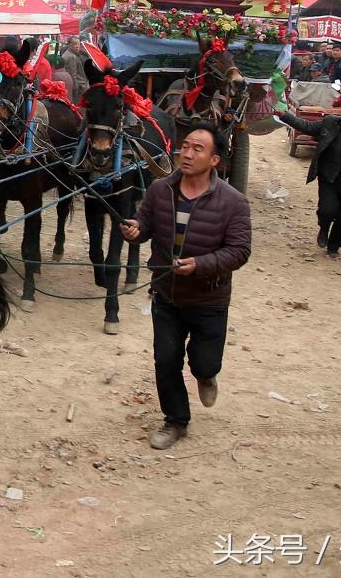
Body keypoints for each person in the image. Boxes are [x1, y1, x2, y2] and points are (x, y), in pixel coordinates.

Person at [119, 123, 252, 451]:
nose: (187, 154)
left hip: (209, 296)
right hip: (166, 292)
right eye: (185, 146)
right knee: (166, 360)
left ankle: (206, 376)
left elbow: (239, 251)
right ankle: (176, 421)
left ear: (215, 160)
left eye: (198, 149)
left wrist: (200, 264)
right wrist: (136, 228)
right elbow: (146, 222)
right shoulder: (160, 189)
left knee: (205, 363)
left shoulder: (234, 202)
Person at [275, 100, 341, 258]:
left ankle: (334, 245)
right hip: (329, 178)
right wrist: (285, 116)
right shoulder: (330, 123)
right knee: (327, 210)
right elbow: (307, 126)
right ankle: (324, 228)